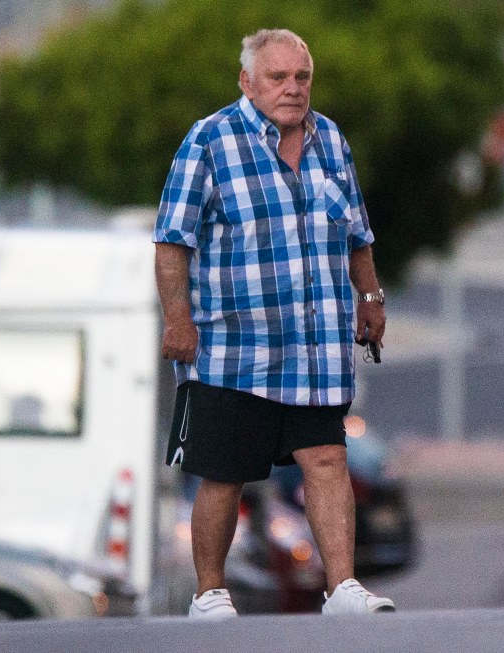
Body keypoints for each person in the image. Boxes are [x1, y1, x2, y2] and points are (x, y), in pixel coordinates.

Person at [153, 28, 394, 618]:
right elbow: (171, 243)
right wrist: (177, 319)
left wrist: (371, 298)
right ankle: (209, 593)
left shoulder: (331, 140)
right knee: (223, 475)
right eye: (278, 77)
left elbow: (358, 233)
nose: (293, 89)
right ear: (247, 82)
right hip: (234, 350)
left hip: (313, 348)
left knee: (328, 460)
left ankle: (342, 588)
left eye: (301, 77)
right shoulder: (210, 141)